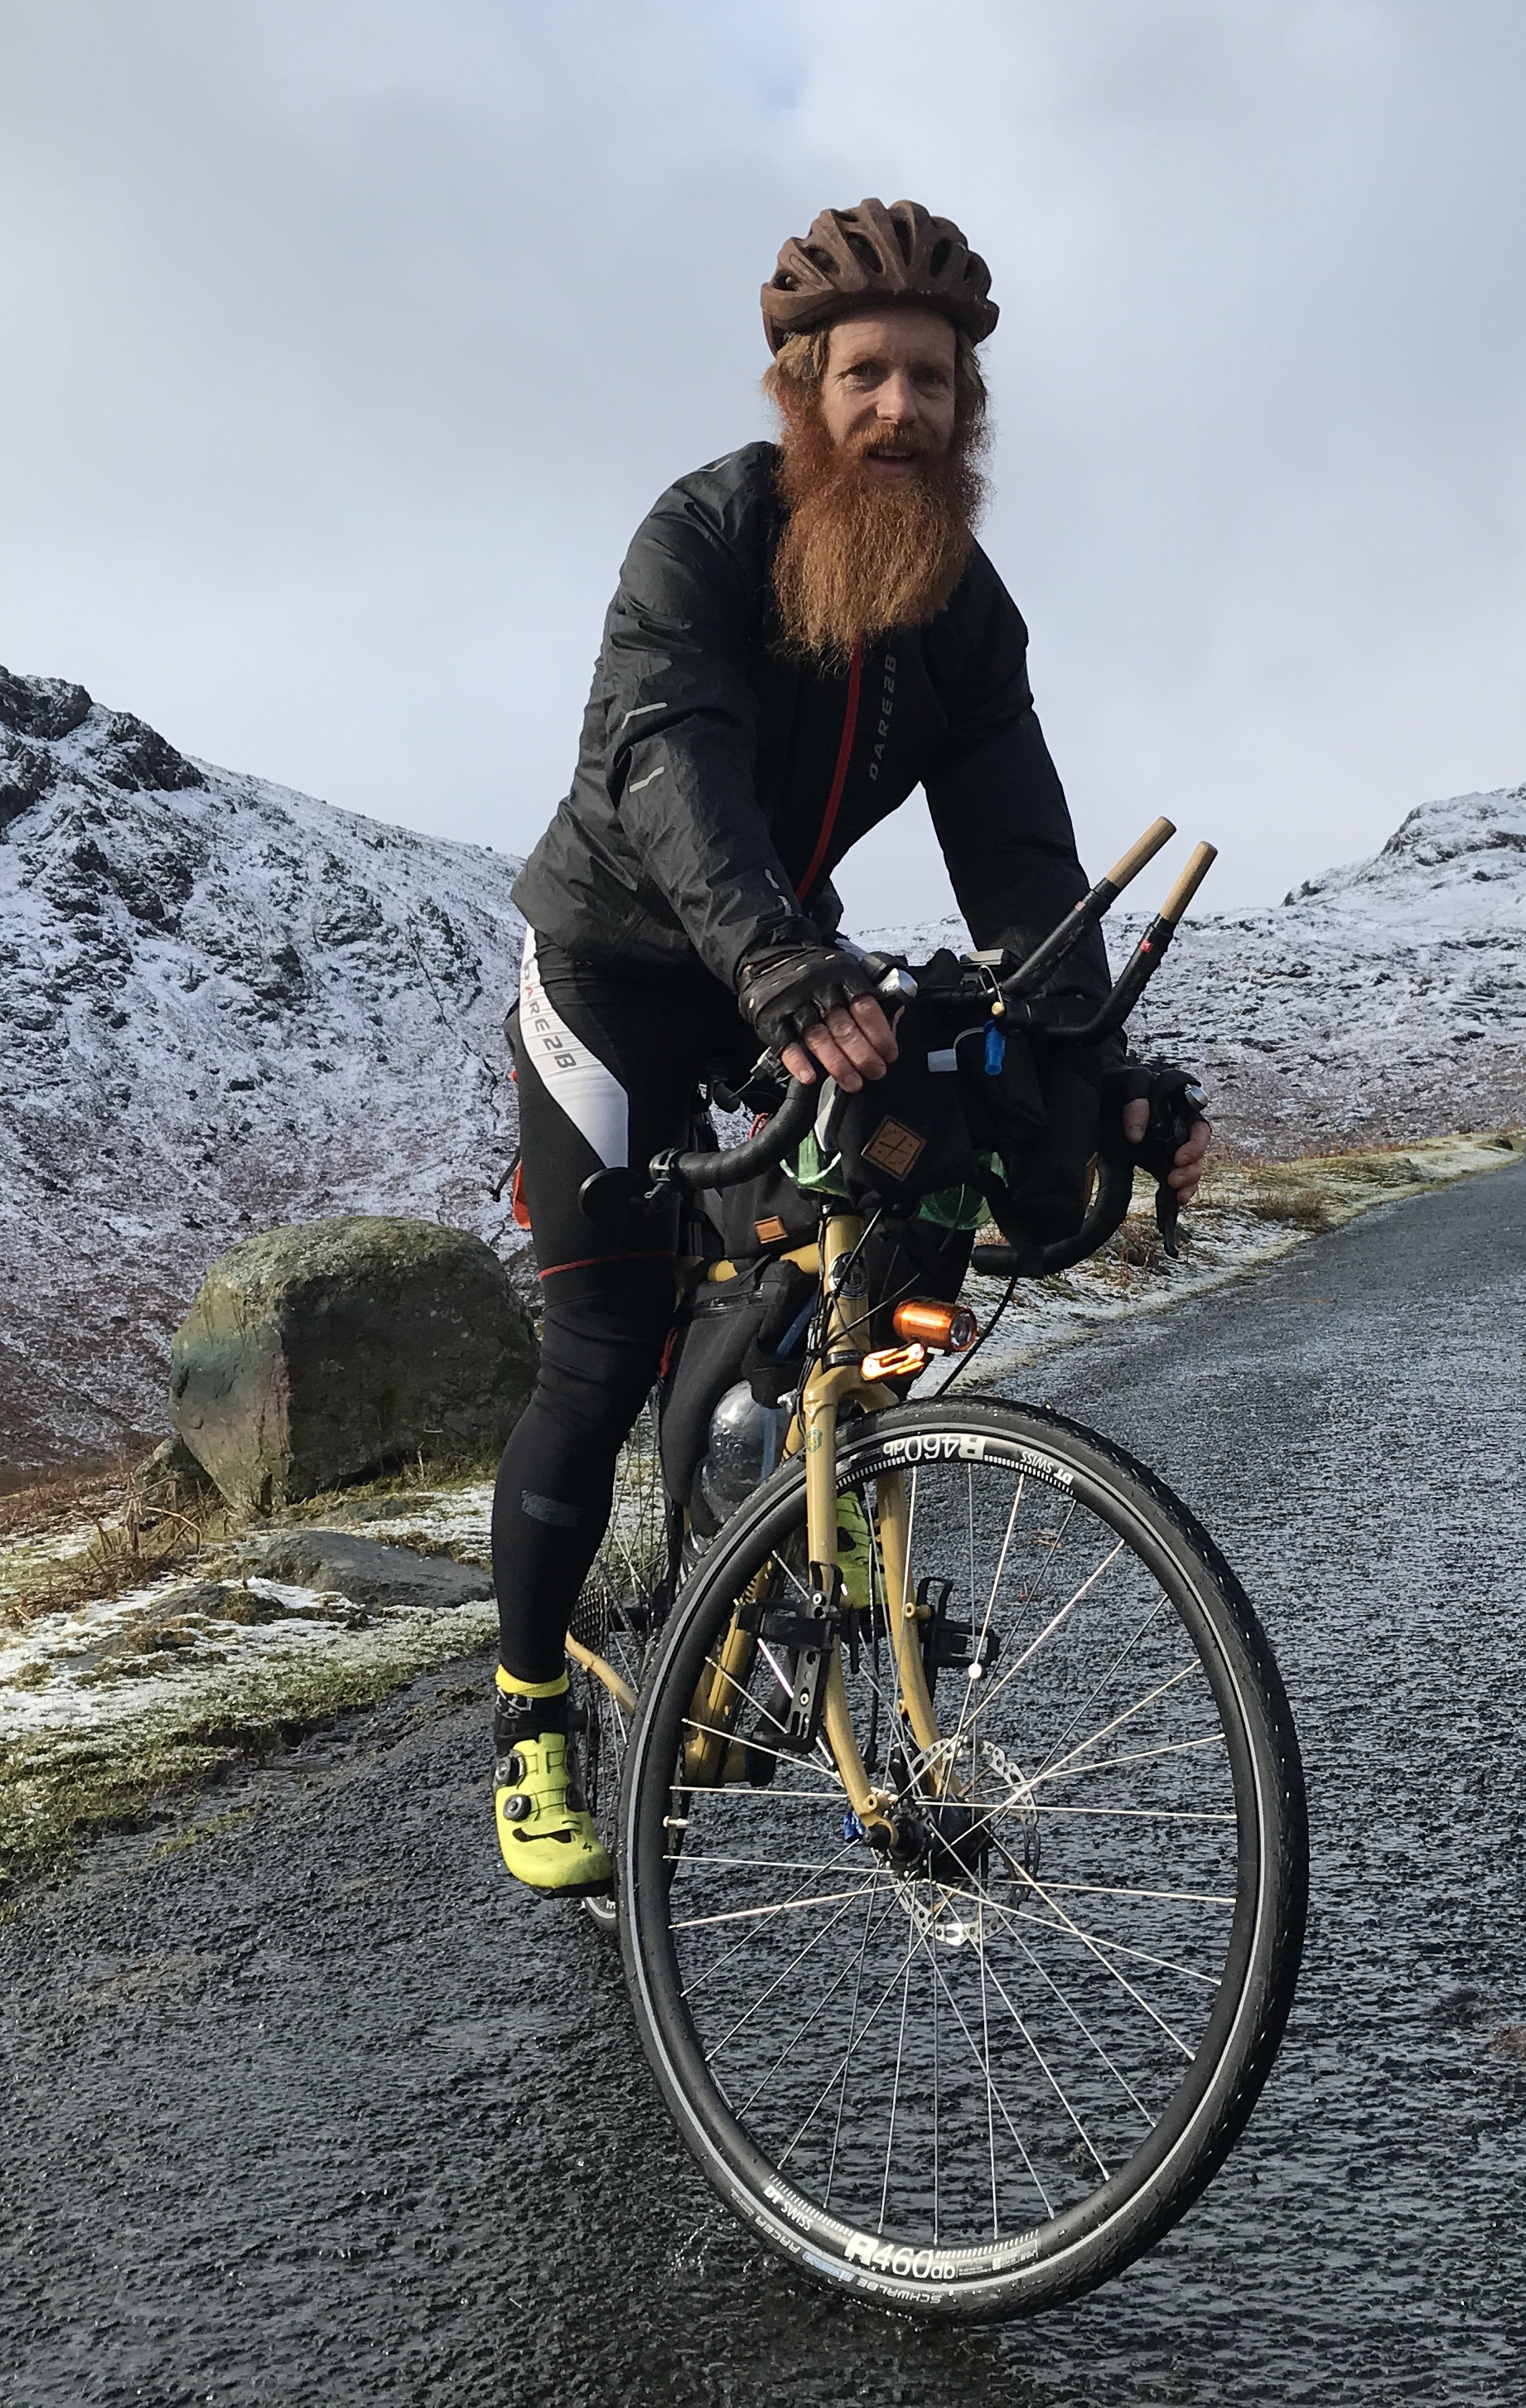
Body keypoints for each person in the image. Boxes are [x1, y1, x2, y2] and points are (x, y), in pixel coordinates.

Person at [484, 199, 1211, 1893]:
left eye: (936, 383)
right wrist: (779, 961)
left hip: (779, 960)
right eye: (867, 376)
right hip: (621, 965)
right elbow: (671, 761)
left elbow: (1026, 864)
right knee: (596, 1350)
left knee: (857, 1249)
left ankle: (727, 1581)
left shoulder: (961, 609)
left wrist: (1099, 1070)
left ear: (969, 411)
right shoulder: (709, 534)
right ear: (799, 390)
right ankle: (529, 1711)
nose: (902, 411)